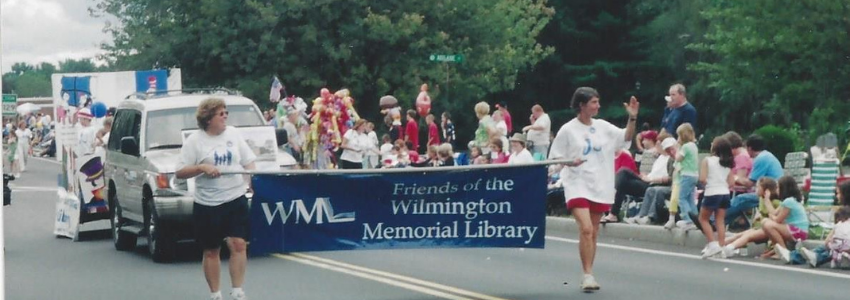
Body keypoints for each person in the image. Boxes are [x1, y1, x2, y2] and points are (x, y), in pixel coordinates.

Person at [549, 87, 639, 291]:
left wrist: (632, 119)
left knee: (594, 232)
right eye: (594, 102)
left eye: (598, 102)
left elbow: (625, 138)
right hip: (576, 183)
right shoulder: (568, 129)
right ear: (582, 105)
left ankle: (589, 272)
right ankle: (587, 275)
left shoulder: (603, 127)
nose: (598, 106)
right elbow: (555, 158)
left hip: (600, 183)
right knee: (586, 228)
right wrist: (570, 162)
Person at [175, 98, 256, 300]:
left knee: (238, 244)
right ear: (208, 118)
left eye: (226, 113)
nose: (225, 116)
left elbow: (249, 162)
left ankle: (237, 290)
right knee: (212, 250)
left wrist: (253, 179)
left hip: (235, 196)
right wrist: (201, 168)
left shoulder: (234, 134)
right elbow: (180, 171)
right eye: (221, 113)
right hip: (208, 203)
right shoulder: (195, 141)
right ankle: (215, 293)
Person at [724, 134, 784, 227]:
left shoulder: (761, 159)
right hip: (773, 190)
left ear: (749, 148)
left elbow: (749, 183)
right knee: (741, 202)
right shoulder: (767, 155)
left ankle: (716, 219)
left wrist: (735, 178)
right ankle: (719, 223)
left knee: (741, 199)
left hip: (770, 194)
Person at [794, 181, 850, 267]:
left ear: (845, 195)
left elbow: (835, 232)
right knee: (828, 247)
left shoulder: (844, 213)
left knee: (830, 247)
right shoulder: (843, 211)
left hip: (844, 245)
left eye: (838, 193)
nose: (836, 196)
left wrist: (828, 241)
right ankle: (799, 256)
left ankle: (798, 256)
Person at [624, 135, 677, 225]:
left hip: (671, 185)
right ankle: (641, 215)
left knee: (658, 191)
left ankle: (651, 217)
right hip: (656, 182)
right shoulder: (661, 158)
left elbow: (670, 177)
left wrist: (653, 179)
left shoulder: (674, 159)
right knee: (650, 190)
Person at [722, 177, 781, 256]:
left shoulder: (775, 202)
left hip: (769, 229)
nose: (755, 189)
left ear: (766, 190)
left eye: (758, 187)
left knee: (747, 236)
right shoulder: (761, 199)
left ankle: (729, 248)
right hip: (760, 227)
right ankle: (719, 245)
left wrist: (767, 201)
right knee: (738, 235)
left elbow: (775, 217)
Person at [698, 136, 735, 258]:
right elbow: (731, 183)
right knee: (720, 220)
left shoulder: (707, 160)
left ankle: (712, 244)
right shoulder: (727, 164)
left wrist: (707, 183)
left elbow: (703, 179)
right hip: (725, 193)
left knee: (703, 219)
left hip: (712, 192)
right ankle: (722, 245)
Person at [763, 175, 809, 263]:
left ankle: (784, 250)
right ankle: (778, 250)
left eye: (778, 187)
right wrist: (767, 200)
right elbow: (774, 212)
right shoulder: (787, 201)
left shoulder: (789, 202)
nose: (776, 190)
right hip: (793, 229)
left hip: (799, 231)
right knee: (765, 222)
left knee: (768, 225)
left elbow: (777, 220)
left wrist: (771, 217)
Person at [671, 123, 700, 230]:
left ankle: (688, 219)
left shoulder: (685, 147)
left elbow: (678, 158)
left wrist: (677, 149)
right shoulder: (694, 146)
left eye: (679, 136)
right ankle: (696, 219)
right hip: (694, 175)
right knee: (690, 199)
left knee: (681, 198)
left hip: (686, 175)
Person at [724, 131, 753, 195]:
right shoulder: (741, 155)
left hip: (737, 192)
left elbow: (741, 179)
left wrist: (729, 176)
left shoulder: (742, 157)